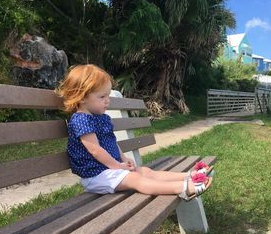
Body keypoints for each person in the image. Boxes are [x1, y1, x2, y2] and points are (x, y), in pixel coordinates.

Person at [56, 64, 213, 201]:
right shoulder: (80, 120)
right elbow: (96, 151)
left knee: (145, 171)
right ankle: (183, 189)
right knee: (136, 179)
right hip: (96, 176)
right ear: (82, 98)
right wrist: (118, 166)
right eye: (102, 96)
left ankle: (189, 176)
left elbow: (111, 141)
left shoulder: (101, 117)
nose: (107, 101)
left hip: (109, 170)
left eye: (108, 95)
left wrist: (123, 159)